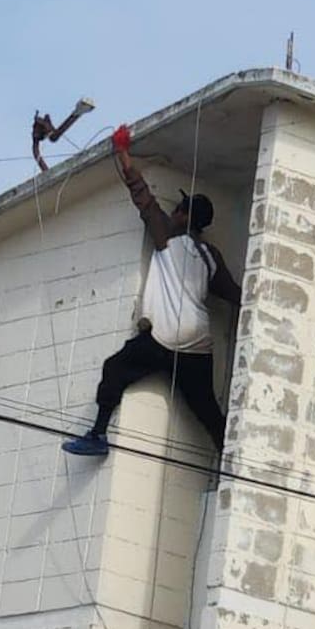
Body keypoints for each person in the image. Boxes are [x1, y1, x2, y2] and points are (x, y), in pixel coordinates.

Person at [64, 126, 242, 458]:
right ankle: (232, 458)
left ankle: (98, 435)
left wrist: (122, 151)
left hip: (162, 339)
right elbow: (234, 295)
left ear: (184, 216)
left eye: (178, 209)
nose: (172, 212)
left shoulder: (167, 236)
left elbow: (140, 192)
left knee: (114, 370)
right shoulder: (210, 256)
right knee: (205, 408)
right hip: (198, 344)